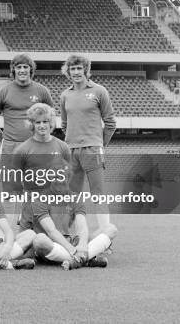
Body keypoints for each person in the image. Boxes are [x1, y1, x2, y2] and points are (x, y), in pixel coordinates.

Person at [0, 53, 53, 227]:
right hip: (10, 147)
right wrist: (5, 140)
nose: (22, 70)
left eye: (25, 67)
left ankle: (33, 230)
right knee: (9, 192)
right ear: (13, 70)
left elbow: (51, 120)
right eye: (18, 67)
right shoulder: (4, 91)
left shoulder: (42, 91)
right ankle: (5, 235)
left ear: (31, 69)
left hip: (36, 148)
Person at [60, 54, 117, 229]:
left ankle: (106, 236)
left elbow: (111, 123)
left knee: (98, 195)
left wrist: (99, 144)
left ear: (85, 70)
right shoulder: (65, 95)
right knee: (71, 197)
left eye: (79, 68)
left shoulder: (99, 91)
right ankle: (74, 236)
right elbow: (64, 124)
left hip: (93, 150)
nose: (76, 72)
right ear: (68, 71)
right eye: (73, 69)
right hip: (71, 151)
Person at [19, 173, 117, 270]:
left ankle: (78, 260)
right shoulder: (39, 199)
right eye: (56, 178)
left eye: (63, 178)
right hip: (53, 244)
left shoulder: (75, 197)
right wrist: (71, 249)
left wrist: (82, 245)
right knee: (39, 240)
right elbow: (51, 231)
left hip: (73, 242)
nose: (59, 181)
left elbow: (82, 226)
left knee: (110, 229)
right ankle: (85, 258)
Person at [10, 103, 71, 195]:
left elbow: (68, 173)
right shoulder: (22, 150)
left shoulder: (63, 147)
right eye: (38, 122)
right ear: (32, 124)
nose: (42, 126)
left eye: (45, 121)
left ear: (50, 123)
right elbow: (14, 179)